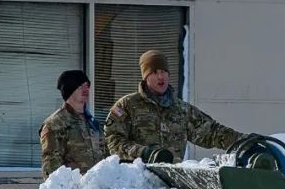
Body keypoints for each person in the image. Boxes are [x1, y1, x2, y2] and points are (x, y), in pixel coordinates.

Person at [104, 49, 243, 163]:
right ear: (145, 77)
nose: (161, 77)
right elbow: (113, 140)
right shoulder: (127, 105)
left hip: (171, 185)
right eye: (154, 72)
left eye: (164, 71)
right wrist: (144, 153)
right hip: (138, 183)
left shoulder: (181, 110)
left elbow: (211, 132)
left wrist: (242, 141)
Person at [40, 69, 106, 178]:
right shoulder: (55, 123)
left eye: (87, 86)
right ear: (69, 89)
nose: (85, 89)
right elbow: (51, 166)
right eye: (80, 86)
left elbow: (105, 157)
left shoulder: (92, 122)